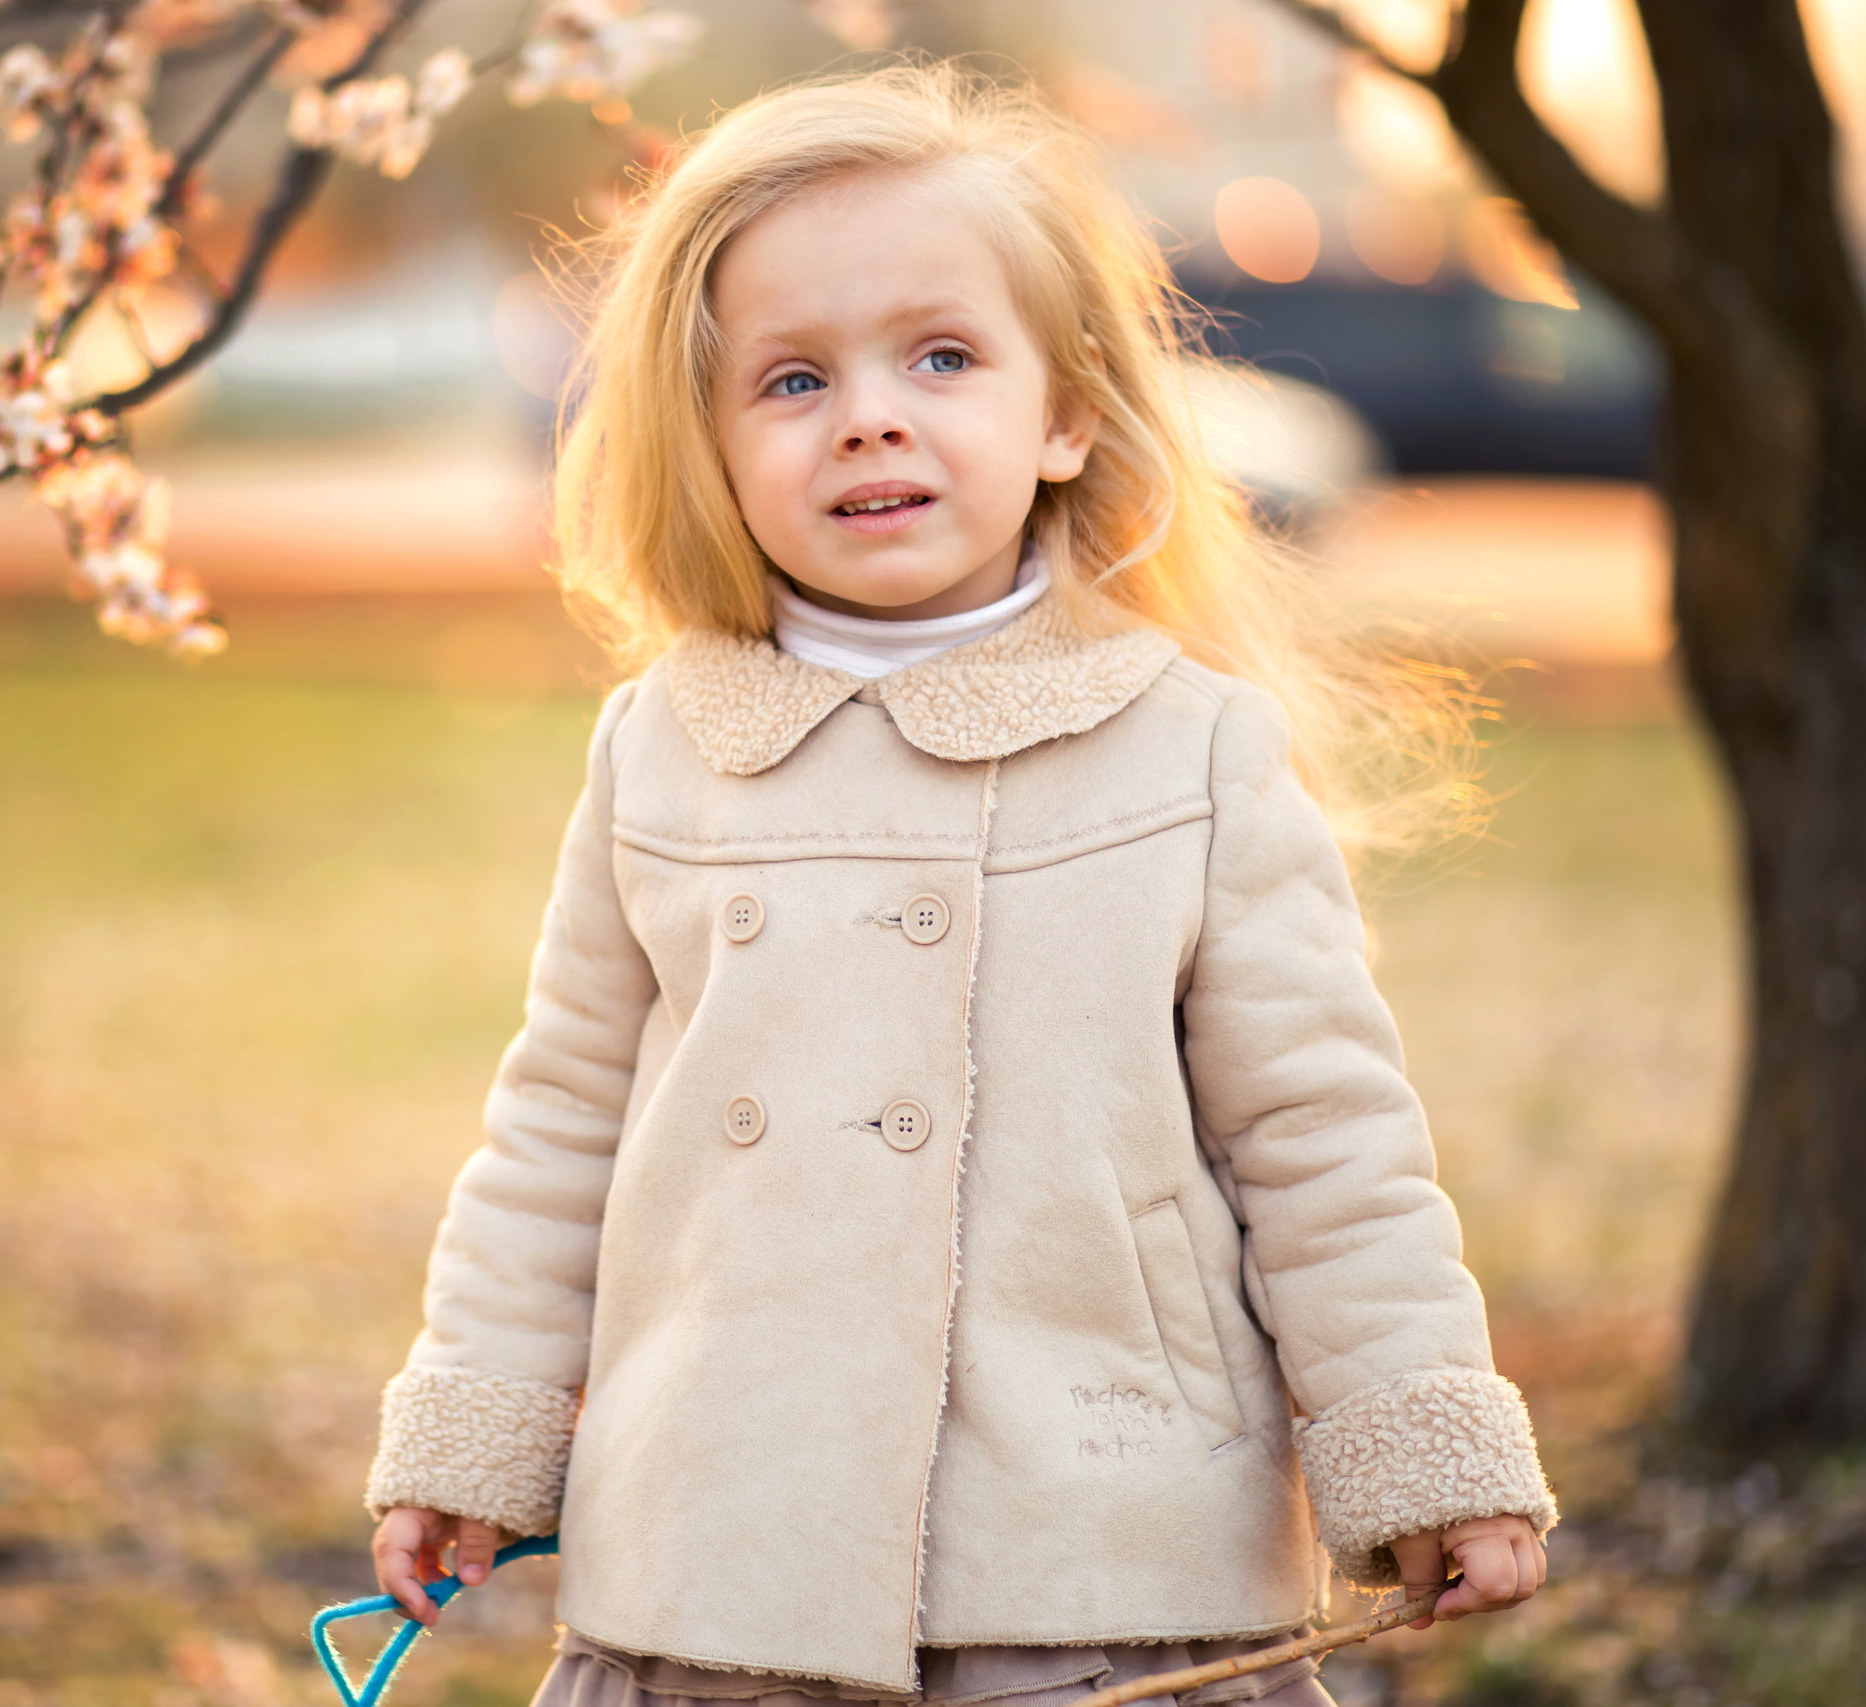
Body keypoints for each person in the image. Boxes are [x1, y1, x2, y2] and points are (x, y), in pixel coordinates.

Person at [362, 62, 1554, 1707]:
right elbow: (560, 1124)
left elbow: (1324, 1139)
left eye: (941, 356)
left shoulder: (1187, 749)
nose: (870, 414)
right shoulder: (666, 749)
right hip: (726, 1550)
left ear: (1064, 410)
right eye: (791, 379)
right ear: (706, 440)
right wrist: (475, 1426)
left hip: (1092, 1546)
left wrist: (1423, 1453)